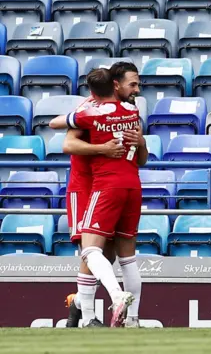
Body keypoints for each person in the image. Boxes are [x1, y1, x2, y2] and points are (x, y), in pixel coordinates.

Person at [49, 62, 145, 328]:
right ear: (116, 85)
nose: (136, 90)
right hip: (86, 187)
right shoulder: (89, 108)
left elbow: (141, 157)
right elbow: (68, 143)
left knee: (107, 254)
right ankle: (90, 317)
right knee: (90, 251)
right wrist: (103, 149)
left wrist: (142, 142)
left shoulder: (121, 110)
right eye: (133, 84)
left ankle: (80, 303)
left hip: (108, 186)